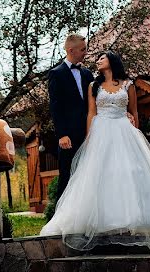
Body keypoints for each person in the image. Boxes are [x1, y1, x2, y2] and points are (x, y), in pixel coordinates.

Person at [41, 51, 150, 252]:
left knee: (129, 172)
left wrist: (136, 131)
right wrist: (89, 137)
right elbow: (91, 113)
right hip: (101, 130)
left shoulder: (128, 85)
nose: (98, 61)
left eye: (102, 58)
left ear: (112, 61)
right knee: (100, 174)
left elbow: (134, 111)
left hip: (123, 129)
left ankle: (132, 218)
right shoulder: (93, 85)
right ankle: (102, 222)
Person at [48, 33, 93, 198]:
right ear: (71, 50)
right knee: (66, 176)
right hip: (68, 136)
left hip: (89, 132)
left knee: (87, 175)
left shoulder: (87, 74)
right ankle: (59, 219)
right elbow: (55, 106)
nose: (85, 53)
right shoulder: (56, 74)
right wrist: (62, 134)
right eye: (83, 49)